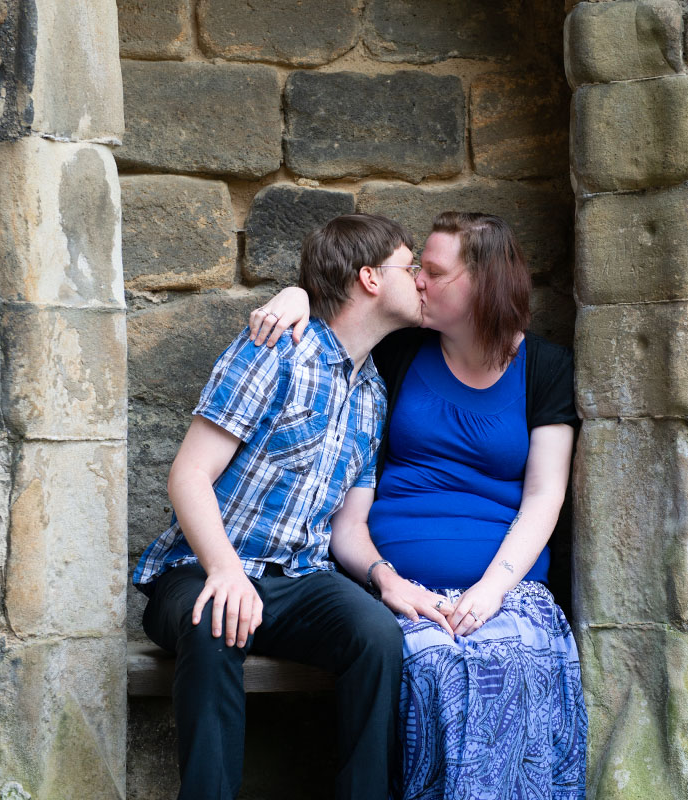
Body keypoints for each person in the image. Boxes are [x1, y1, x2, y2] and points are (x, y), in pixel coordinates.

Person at [250, 211, 587, 799]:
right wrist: (296, 293)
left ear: (481, 283)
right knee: (432, 666)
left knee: (519, 662)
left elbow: (544, 496)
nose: (418, 282)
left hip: (505, 590)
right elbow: (342, 315)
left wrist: (490, 591)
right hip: (399, 588)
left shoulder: (546, 369)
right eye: (417, 268)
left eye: (433, 271)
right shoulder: (401, 352)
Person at [132, 213, 455, 800]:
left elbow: (349, 528)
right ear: (370, 279)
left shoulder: (373, 394)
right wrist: (227, 571)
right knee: (214, 620)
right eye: (411, 268)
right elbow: (188, 476)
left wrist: (387, 579)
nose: (422, 280)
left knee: (378, 635)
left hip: (299, 581)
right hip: (200, 570)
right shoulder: (275, 351)